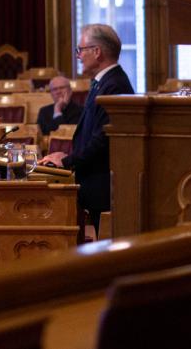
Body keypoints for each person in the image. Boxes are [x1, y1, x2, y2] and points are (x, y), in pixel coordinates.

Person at [41, 24, 134, 235]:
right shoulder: (103, 83)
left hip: (103, 184)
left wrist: (66, 161)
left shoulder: (114, 85)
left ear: (97, 52)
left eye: (81, 50)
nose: (78, 56)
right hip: (94, 182)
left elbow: (103, 139)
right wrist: (66, 155)